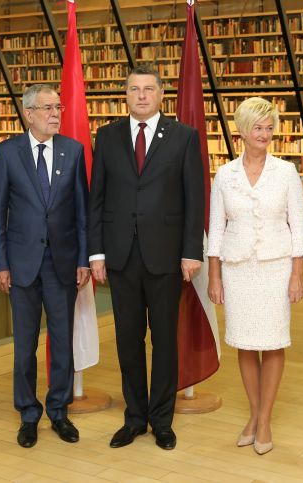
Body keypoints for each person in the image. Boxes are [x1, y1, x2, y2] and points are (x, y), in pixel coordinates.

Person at [88, 64, 204, 450]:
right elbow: (97, 197)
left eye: (148, 89)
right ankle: (135, 418)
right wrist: (96, 252)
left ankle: (162, 420)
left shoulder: (183, 136)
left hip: (167, 256)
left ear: (161, 95)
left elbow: (194, 198)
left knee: (165, 341)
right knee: (128, 340)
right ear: (125, 95)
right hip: (120, 256)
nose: (141, 95)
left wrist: (191, 251)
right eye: (134, 89)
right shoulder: (107, 136)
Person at [206, 97, 303, 455]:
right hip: (237, 269)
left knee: (273, 341)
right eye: (257, 128)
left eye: (269, 128)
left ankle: (264, 420)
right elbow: (216, 228)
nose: (264, 134)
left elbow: (299, 226)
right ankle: (253, 414)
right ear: (242, 132)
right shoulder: (225, 175)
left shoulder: (287, 172)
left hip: (276, 267)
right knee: (246, 343)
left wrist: (297, 274)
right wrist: (214, 276)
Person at [0, 84, 90, 449]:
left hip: (62, 264)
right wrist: (1, 264)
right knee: (24, 346)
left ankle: (59, 411)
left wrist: (82, 258)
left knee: (62, 342)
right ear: (28, 113)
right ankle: (28, 414)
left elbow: (82, 210)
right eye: (47, 108)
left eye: (58, 107)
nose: (55, 114)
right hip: (21, 265)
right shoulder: (7, 152)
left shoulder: (73, 150)